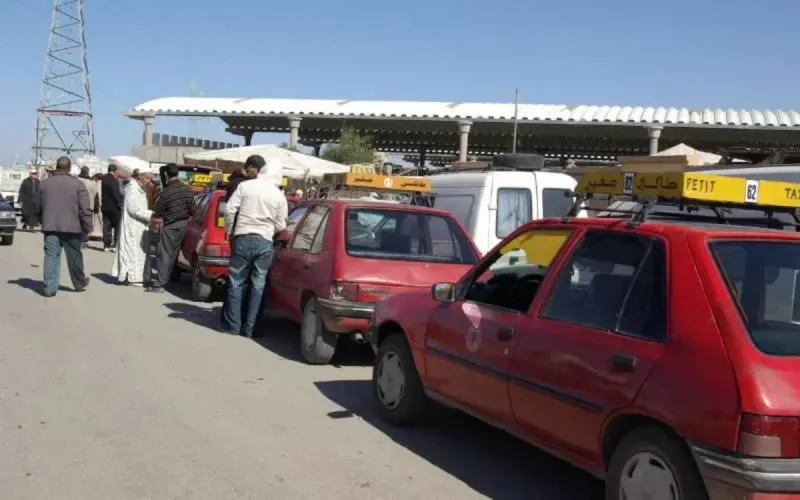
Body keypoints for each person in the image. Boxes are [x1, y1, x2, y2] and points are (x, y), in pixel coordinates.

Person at [221, 157, 287, 337]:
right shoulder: (278, 195)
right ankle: (250, 329)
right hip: (264, 242)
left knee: (236, 282)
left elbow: (229, 210)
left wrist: (229, 229)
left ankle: (234, 326)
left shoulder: (245, 186)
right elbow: (281, 225)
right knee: (258, 285)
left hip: (242, 237)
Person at [38, 156, 92, 297]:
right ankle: (79, 283)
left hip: (50, 226)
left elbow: (37, 206)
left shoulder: (44, 184)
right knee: (74, 256)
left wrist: (42, 220)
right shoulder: (78, 184)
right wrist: (88, 227)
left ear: (56, 166)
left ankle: (50, 287)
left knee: (51, 256)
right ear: (69, 168)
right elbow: (85, 209)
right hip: (72, 227)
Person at [148, 163, 196, 292]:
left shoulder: (167, 191)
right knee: (174, 253)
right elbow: (193, 208)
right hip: (184, 225)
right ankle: (168, 278)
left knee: (164, 253)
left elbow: (158, 209)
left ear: (167, 176)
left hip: (171, 225)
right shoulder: (186, 189)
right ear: (178, 174)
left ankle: (159, 283)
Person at [111, 166, 154, 286]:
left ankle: (137, 276)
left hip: (139, 225)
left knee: (140, 252)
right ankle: (133, 278)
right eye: (147, 178)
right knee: (132, 251)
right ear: (140, 176)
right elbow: (133, 209)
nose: (148, 181)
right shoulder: (133, 189)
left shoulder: (140, 189)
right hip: (133, 226)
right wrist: (150, 215)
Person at [100, 164, 123, 252]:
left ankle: (106, 245)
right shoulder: (114, 180)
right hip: (114, 207)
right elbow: (115, 193)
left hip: (105, 206)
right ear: (115, 171)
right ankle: (114, 245)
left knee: (106, 226)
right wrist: (119, 202)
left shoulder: (104, 179)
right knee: (117, 226)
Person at [90, 173, 104, 240]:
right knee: (100, 220)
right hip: (100, 204)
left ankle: (94, 233)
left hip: (95, 204)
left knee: (95, 220)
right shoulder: (102, 183)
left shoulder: (94, 183)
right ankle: (100, 234)